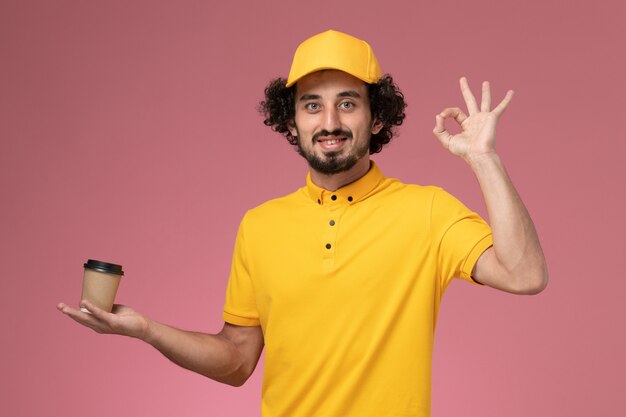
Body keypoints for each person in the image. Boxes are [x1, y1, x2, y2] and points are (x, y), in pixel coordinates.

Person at [58, 30, 548, 417]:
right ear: (291, 122)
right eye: (312, 104)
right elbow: (236, 360)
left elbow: (524, 275)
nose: (329, 120)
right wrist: (145, 328)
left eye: (348, 102)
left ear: (377, 118)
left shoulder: (429, 211)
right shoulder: (260, 225)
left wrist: (485, 160)